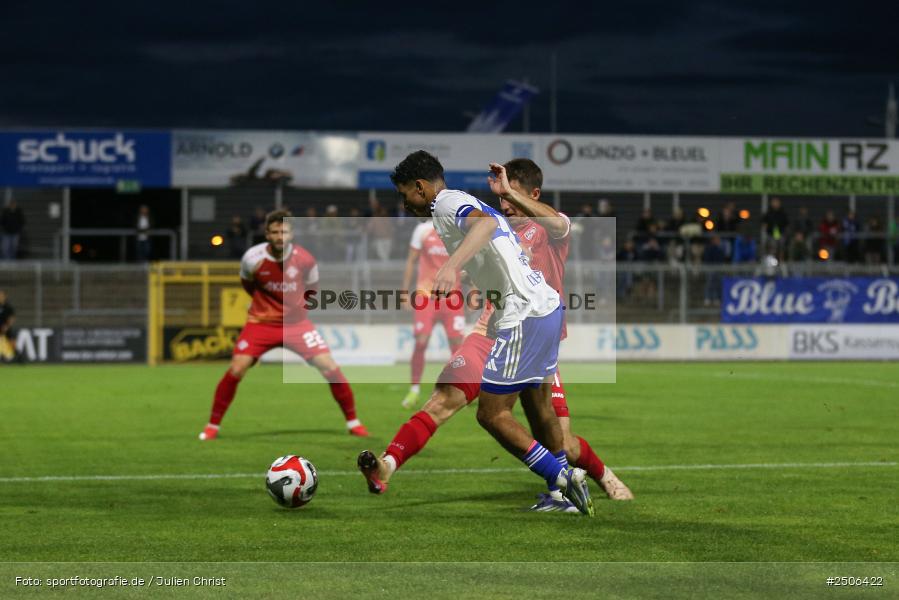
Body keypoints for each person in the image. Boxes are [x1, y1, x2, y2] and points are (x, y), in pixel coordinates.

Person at [360, 155, 631, 513]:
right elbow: (490, 232)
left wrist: (450, 266)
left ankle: (566, 479)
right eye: (502, 197)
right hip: (510, 319)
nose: (505, 202)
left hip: (523, 318)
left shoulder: (459, 206)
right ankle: (388, 465)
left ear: (420, 188)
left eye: (404, 194)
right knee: (458, 400)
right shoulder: (475, 211)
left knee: (503, 418)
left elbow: (486, 225)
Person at [198, 210, 369, 440]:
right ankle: (212, 426)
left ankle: (353, 422)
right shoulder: (252, 258)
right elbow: (248, 286)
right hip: (261, 323)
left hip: (296, 325)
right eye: (275, 232)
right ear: (267, 234)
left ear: (292, 233)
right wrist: (265, 307)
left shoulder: (305, 259)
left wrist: (297, 312)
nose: (280, 236)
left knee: (329, 367)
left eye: (284, 231)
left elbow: (312, 289)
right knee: (237, 368)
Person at [399, 218, 465, 409]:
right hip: (426, 296)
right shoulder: (422, 230)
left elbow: (470, 262)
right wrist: (404, 292)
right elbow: (411, 261)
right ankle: (414, 389)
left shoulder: (458, 230)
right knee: (421, 341)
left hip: (453, 297)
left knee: (457, 346)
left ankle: (460, 389)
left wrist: (475, 290)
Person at [701, 235, 727, 306]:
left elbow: (722, 258)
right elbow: (706, 258)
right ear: (713, 240)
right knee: (709, 283)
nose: (718, 241)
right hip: (710, 268)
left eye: (719, 240)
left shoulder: (720, 249)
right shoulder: (709, 248)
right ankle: (707, 298)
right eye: (717, 240)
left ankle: (716, 298)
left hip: (718, 268)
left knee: (717, 284)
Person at [0, 290, 18, 362]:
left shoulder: (8, 307)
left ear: (4, 297)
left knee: (12, 342)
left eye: (1, 296)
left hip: (6, 327)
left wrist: (7, 326)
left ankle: (17, 357)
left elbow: (12, 318)